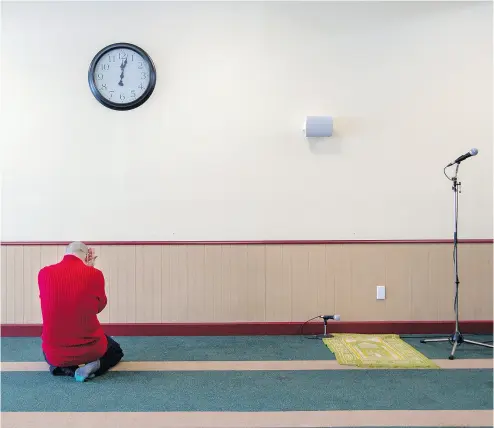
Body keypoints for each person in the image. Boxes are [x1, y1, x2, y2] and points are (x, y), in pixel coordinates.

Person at [38, 241, 123, 381]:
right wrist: (90, 269)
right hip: (90, 350)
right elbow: (98, 308)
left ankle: (66, 368)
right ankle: (94, 365)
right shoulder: (95, 274)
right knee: (115, 349)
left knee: (48, 351)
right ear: (86, 256)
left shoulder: (44, 273)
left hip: (55, 352)